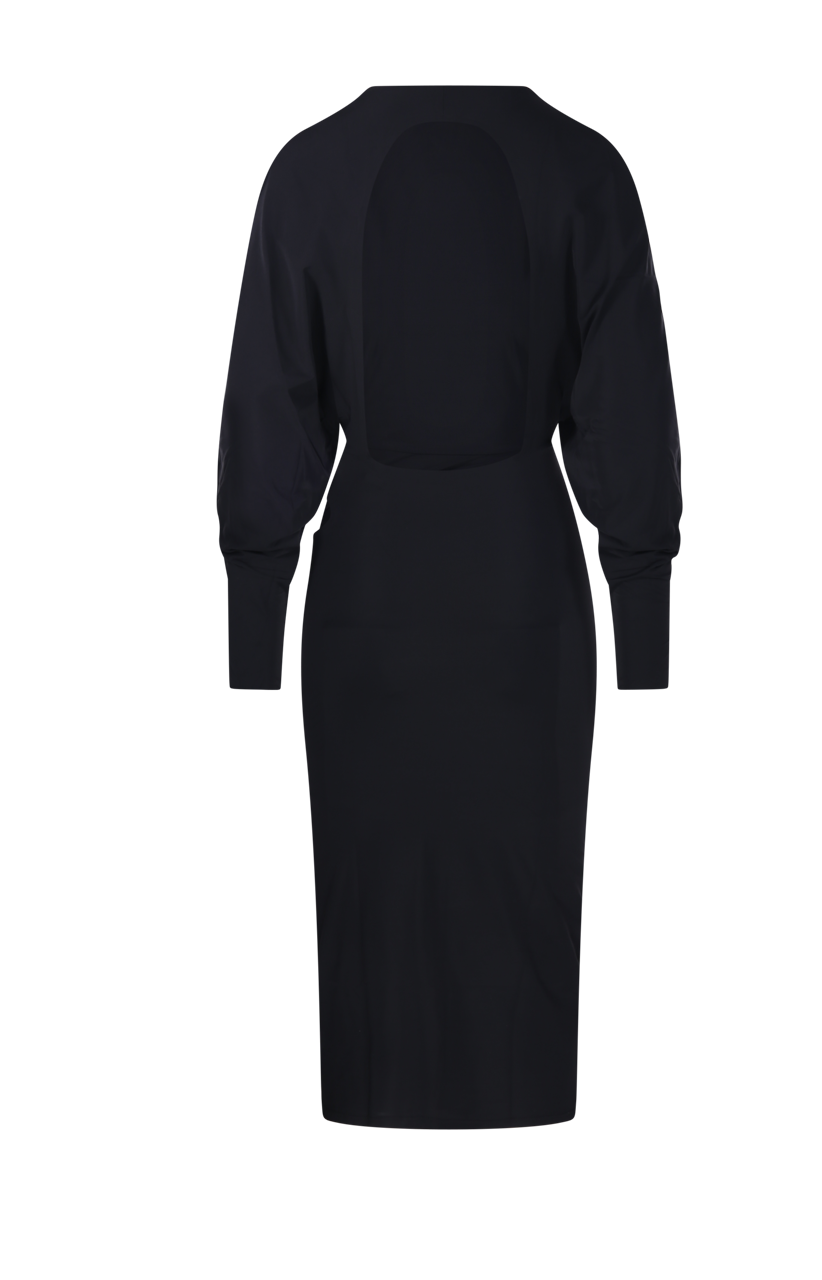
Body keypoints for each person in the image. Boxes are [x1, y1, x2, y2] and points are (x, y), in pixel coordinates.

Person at [217, 85, 681, 1129]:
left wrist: (245, 645)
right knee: (523, 900)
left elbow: (269, 427)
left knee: (368, 905)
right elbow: (631, 434)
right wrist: (648, 639)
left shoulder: (309, 171)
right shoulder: (585, 169)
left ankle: (375, 1133)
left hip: (365, 593)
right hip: (525, 597)